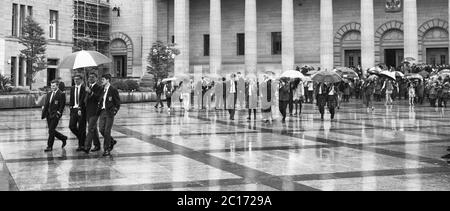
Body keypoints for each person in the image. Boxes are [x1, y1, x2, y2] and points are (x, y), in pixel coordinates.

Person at [97, 74, 120, 156]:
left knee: (107, 131)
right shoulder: (102, 89)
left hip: (109, 113)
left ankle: (107, 149)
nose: (101, 81)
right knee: (101, 129)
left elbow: (117, 103)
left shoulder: (113, 90)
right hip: (102, 112)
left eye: (103, 79)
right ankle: (111, 141)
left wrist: (114, 111)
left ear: (108, 80)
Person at [42, 80, 68, 152]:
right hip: (48, 114)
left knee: (51, 130)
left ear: (57, 86)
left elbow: (62, 105)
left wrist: (58, 113)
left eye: (54, 86)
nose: (52, 87)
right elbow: (47, 104)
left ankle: (49, 146)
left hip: (55, 115)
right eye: (51, 86)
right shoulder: (49, 93)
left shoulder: (61, 94)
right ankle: (63, 138)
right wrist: (44, 110)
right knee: (51, 130)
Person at [84, 72, 102, 154]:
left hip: (95, 111)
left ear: (96, 78)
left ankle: (87, 146)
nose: (90, 78)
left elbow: (98, 98)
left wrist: (90, 92)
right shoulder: (87, 87)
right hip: (87, 111)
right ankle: (97, 145)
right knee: (93, 129)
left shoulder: (99, 87)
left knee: (90, 128)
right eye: (89, 77)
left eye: (92, 77)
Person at [69, 75, 87, 152]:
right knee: (71, 126)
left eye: (77, 79)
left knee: (81, 128)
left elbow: (84, 100)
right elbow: (71, 98)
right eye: (74, 79)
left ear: (81, 80)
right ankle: (82, 138)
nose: (76, 81)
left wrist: (80, 108)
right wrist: (70, 106)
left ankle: (81, 145)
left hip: (82, 110)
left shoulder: (84, 88)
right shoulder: (72, 88)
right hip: (74, 110)